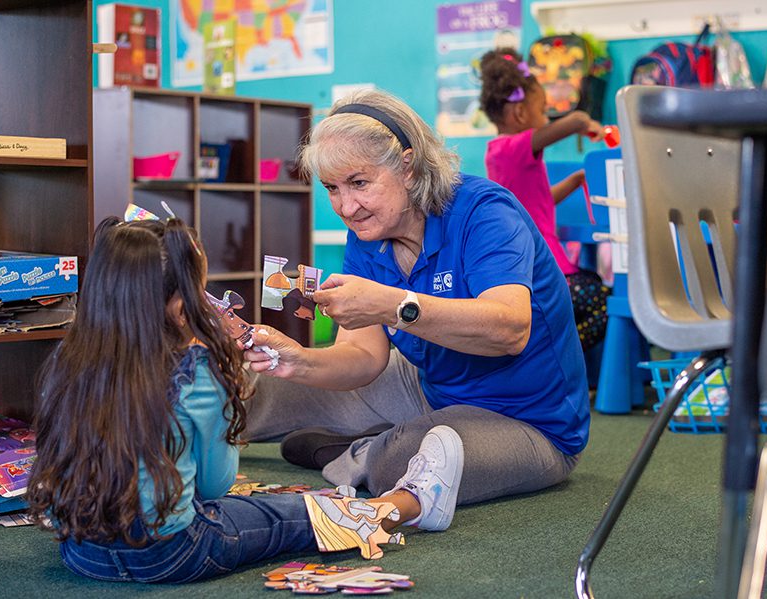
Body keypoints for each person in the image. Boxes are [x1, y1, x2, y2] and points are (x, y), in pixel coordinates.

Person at [26, 217, 461, 583]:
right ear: (181, 309)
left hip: (81, 551)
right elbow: (215, 486)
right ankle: (411, 504)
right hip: (170, 552)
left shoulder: (67, 361)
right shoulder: (195, 370)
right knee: (295, 514)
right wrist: (227, 387)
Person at [243, 89, 589, 519]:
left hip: (530, 424)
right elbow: (363, 358)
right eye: (332, 188)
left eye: (359, 183)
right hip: (429, 388)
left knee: (402, 458)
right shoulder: (367, 235)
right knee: (271, 387)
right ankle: (177, 432)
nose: (346, 207)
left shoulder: (485, 211)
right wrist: (298, 362)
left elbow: (509, 330)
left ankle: (358, 452)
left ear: (407, 167)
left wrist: (393, 305)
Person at [479, 47, 611, 351]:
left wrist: (575, 181)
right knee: (600, 301)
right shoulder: (514, 148)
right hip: (546, 267)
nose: (545, 118)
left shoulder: (503, 155)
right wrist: (582, 121)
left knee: (590, 289)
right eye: (542, 110)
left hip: (537, 267)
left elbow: (538, 202)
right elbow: (569, 124)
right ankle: (549, 352)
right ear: (520, 113)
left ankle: (548, 349)